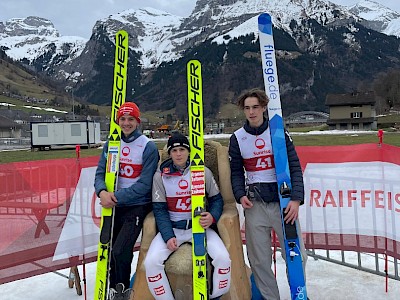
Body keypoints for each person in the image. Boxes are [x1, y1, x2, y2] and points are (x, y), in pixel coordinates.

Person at [228, 88, 307, 300]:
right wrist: (239, 194)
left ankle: (299, 294)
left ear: (264, 107)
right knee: (259, 259)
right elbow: (236, 171)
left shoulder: (278, 132)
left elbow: (294, 166)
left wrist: (296, 199)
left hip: (283, 204)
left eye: (255, 107)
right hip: (255, 205)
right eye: (247, 108)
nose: (251, 112)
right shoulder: (237, 138)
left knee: (296, 256)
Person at [144, 133, 231, 300]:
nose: (178, 154)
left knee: (223, 259)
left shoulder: (202, 171)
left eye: (182, 149)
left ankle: (215, 297)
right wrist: (168, 236)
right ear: (169, 153)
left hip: (198, 226)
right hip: (174, 228)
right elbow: (159, 209)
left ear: (189, 151)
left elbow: (217, 200)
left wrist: (212, 217)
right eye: (174, 150)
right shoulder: (160, 176)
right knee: (151, 263)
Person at [94, 102, 159, 300]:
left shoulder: (147, 146)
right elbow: (99, 173)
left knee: (121, 249)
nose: (126, 123)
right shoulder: (112, 144)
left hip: (136, 205)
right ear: (118, 121)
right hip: (113, 205)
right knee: (109, 250)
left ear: (137, 121)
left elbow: (145, 184)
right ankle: (114, 289)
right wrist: (102, 191)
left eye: (131, 119)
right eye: (123, 119)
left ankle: (122, 292)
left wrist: (115, 197)